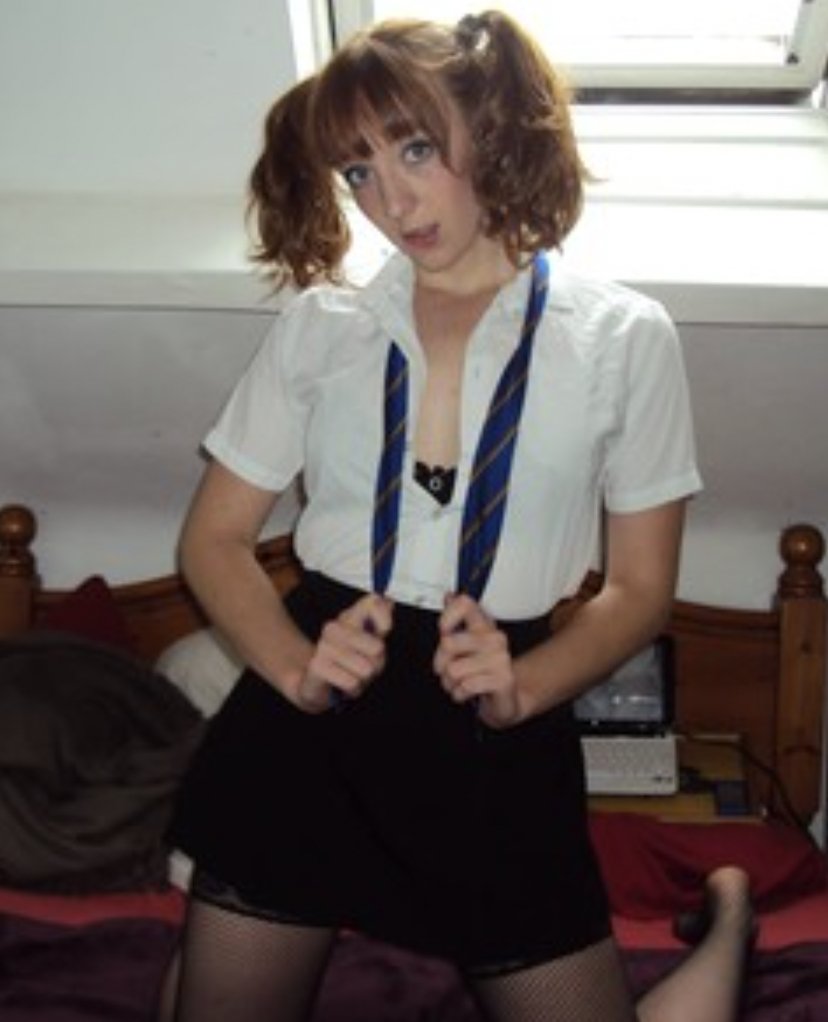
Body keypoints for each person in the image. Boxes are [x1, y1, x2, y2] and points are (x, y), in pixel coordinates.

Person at [163, 10, 755, 1021]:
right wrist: (295, 667)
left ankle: (732, 913)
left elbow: (639, 589)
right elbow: (212, 540)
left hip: (491, 723)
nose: (390, 201)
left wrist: (527, 688)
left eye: (415, 150)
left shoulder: (623, 338)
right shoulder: (322, 326)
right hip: (313, 719)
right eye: (357, 171)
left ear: (491, 127)